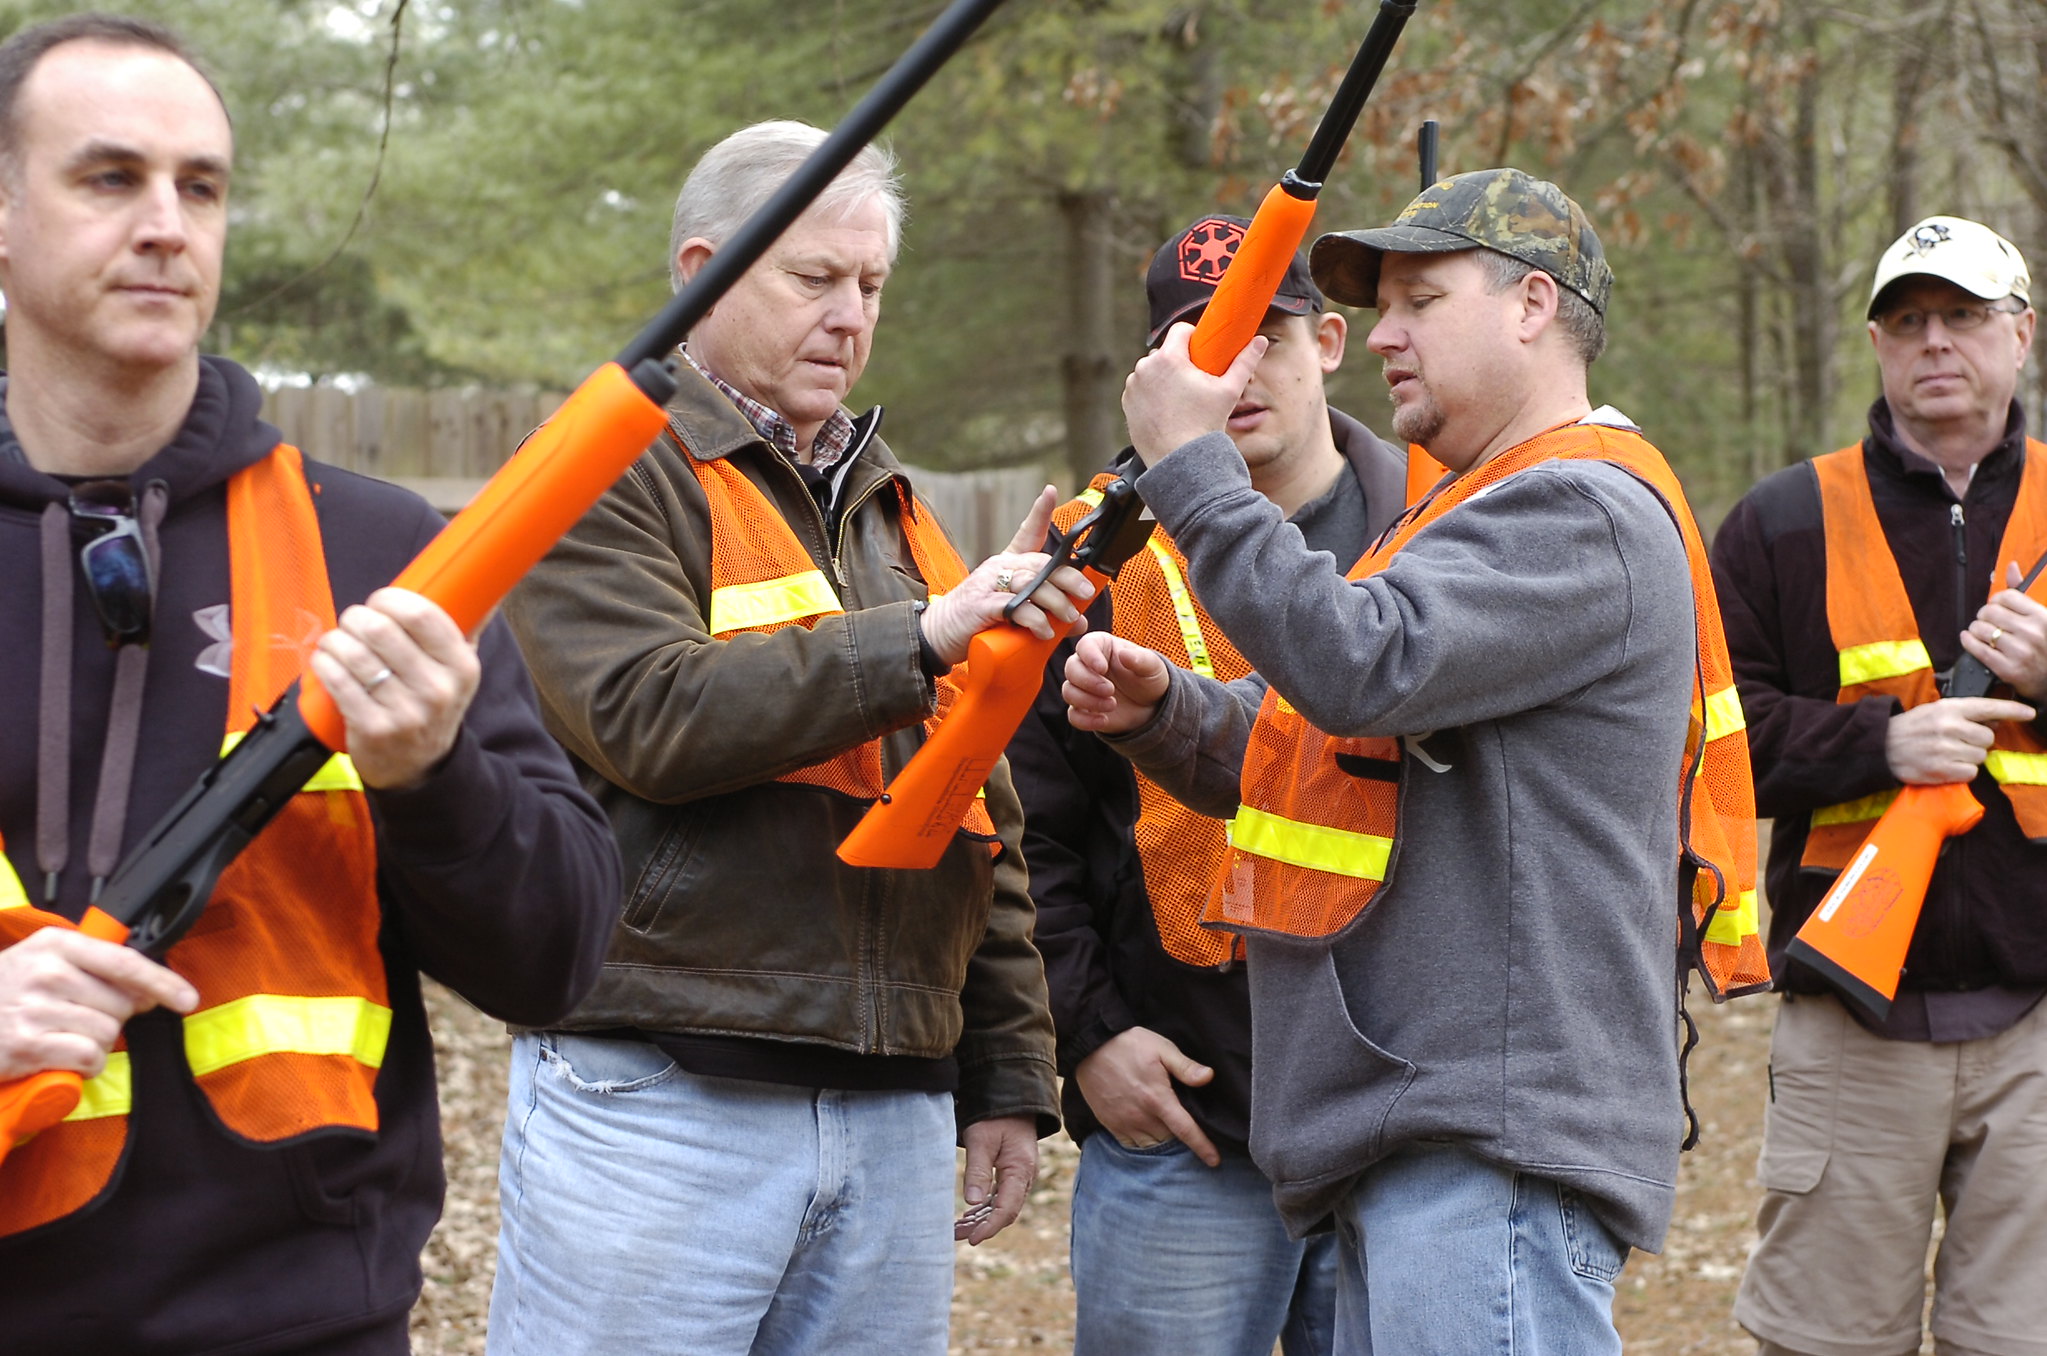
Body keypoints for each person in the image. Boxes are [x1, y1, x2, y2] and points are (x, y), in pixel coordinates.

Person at [1061, 168, 1765, 1353]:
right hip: (1433, 1141)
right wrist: (1164, 716)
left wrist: (1189, 468)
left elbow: (1357, 664)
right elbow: (1330, 737)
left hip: (1485, 1147)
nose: (1379, 336)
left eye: (1418, 301)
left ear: (1532, 304)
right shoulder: (1472, 507)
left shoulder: (1578, 508)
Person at [0, 15, 621, 1355]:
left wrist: (435, 779)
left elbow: (559, 955)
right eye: (110, 178)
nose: (168, 223)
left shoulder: (382, 554)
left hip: (302, 1323)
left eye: (201, 186)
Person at [489, 120, 1088, 1356]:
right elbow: (647, 715)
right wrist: (918, 641)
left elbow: (983, 810)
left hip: (896, 1117)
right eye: (813, 277)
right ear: (702, 268)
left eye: (869, 284)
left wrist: (1009, 1078)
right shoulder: (601, 468)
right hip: (663, 1095)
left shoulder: (899, 514)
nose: (849, 314)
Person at [1005, 215, 1405, 1356]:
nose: (1227, 371)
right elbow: (1026, 830)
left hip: (1396, 1124)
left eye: (1262, 335)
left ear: (1329, 341)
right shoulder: (1091, 557)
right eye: (1194, 343)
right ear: (1150, 376)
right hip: (1185, 1129)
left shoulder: (1446, 530)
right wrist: (1090, 1035)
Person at [1714, 215, 2047, 1356]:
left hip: (2038, 1025)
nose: (1934, 342)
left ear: (2021, 335)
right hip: (1849, 1019)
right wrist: (1884, 747)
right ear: (1874, 344)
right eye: (1906, 321)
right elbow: (1707, 742)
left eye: (1961, 316)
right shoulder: (1776, 520)